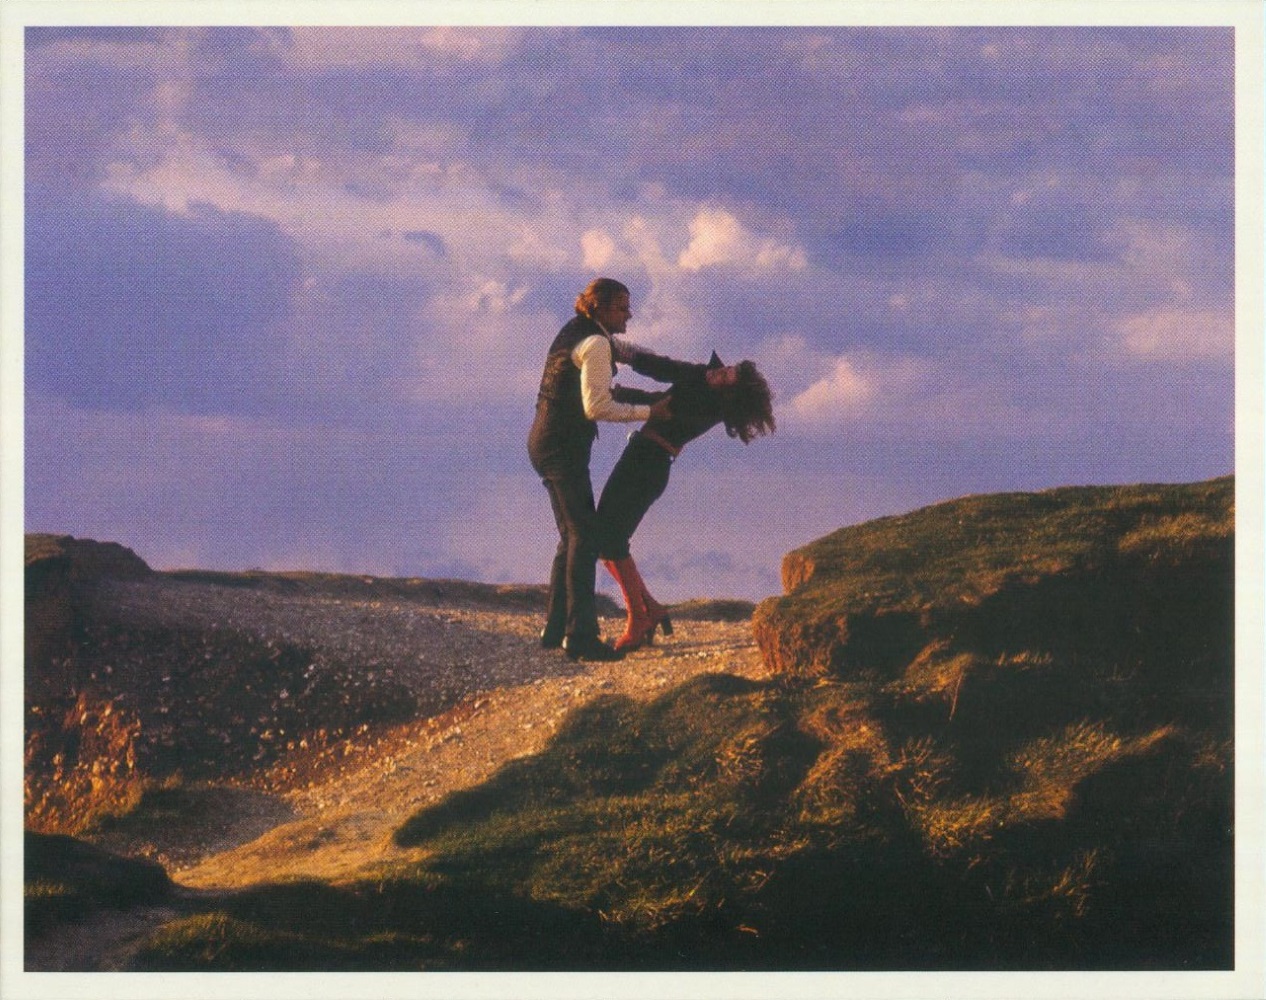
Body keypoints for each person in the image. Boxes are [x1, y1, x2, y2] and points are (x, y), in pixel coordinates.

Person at [527, 278, 688, 662]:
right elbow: (597, 406)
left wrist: (683, 377)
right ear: (599, 307)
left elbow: (638, 356)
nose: (629, 314)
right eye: (621, 307)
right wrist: (649, 411)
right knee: (585, 537)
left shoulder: (579, 331)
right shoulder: (597, 344)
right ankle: (580, 636)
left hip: (546, 443)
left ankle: (555, 629)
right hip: (562, 448)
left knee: (571, 535)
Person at [596, 353, 775, 652]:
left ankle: (638, 618)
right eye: (726, 368)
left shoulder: (706, 405)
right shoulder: (703, 392)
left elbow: (657, 400)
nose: (718, 371)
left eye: (726, 375)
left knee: (611, 542)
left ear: (728, 393)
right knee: (605, 540)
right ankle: (650, 609)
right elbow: (664, 376)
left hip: (648, 463)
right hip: (644, 457)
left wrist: (613, 393)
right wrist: (622, 370)